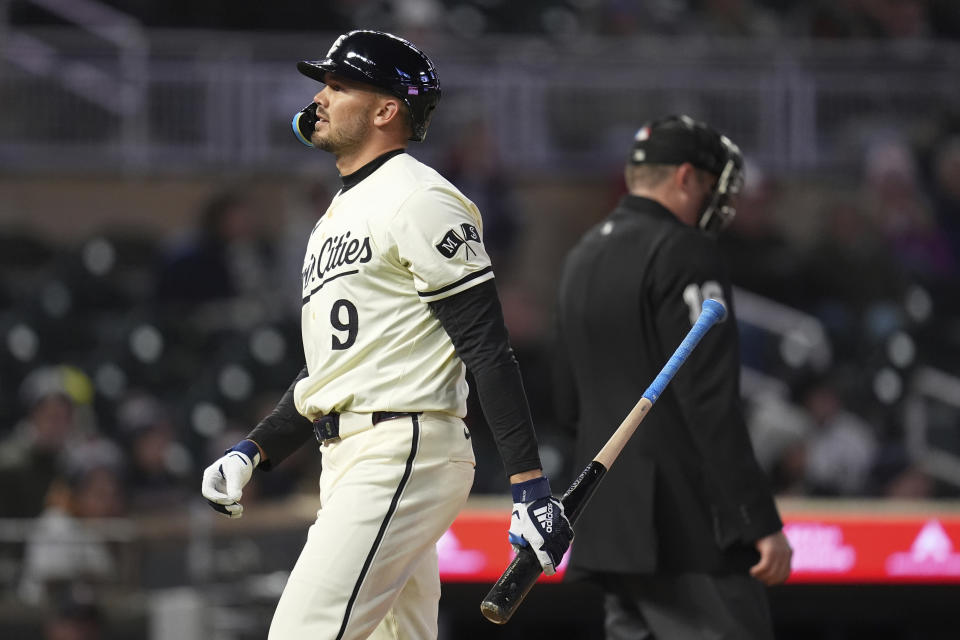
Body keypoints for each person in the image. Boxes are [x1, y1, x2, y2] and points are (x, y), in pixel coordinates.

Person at [200, 30, 572, 640]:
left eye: (338, 85)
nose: (320, 97)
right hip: (350, 453)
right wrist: (255, 449)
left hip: (402, 445)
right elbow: (337, 366)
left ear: (385, 110)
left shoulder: (421, 197)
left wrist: (529, 484)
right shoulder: (336, 215)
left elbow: (486, 344)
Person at [553, 115, 792, 639]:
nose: (713, 202)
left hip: (607, 528)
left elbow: (567, 405)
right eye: (709, 186)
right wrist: (759, 521)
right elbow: (708, 403)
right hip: (686, 533)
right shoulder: (685, 250)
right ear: (686, 177)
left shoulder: (581, 253)